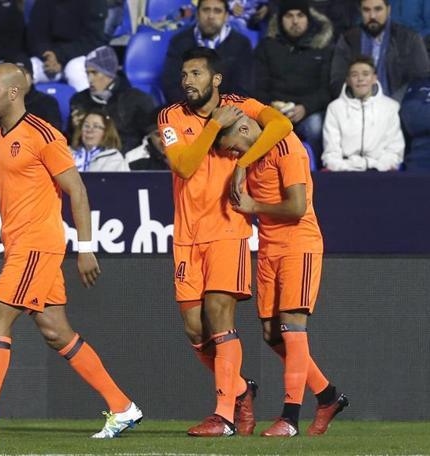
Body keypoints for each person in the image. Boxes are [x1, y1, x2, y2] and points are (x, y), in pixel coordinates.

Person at [0, 63, 141, 440]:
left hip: (37, 244)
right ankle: (122, 407)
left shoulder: (43, 135)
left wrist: (85, 247)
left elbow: (77, 190)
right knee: (56, 331)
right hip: (18, 244)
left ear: (14, 92)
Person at [157, 47, 292, 437]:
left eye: (196, 74)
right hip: (186, 235)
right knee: (195, 330)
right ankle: (239, 389)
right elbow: (183, 165)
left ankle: (225, 414)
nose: (188, 81)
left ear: (215, 79)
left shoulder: (241, 104)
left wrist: (246, 163)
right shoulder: (170, 116)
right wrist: (214, 127)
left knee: (220, 315)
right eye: (184, 74)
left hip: (227, 228)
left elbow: (281, 124)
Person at [217, 113, 349, 437]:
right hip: (269, 246)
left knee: (292, 327)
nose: (235, 155)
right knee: (272, 334)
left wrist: (253, 205)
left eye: (235, 147)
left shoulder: (287, 148)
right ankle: (328, 396)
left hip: (298, 244)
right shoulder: (252, 156)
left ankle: (290, 417)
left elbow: (297, 206)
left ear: (246, 129)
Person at [254, 0, 334, 166]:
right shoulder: (267, 47)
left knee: (315, 127)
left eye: (300, 15)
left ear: (308, 18)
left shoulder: (322, 47)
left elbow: (327, 90)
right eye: (289, 16)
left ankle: (318, 171)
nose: (295, 21)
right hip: (273, 110)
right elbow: (258, 86)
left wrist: (305, 107)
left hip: (308, 111)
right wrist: (271, 107)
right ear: (281, 19)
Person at [330, 0, 430, 102]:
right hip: (356, 108)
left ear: (388, 10)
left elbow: (421, 81)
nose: (372, 16)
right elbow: (337, 81)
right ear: (360, 11)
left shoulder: (409, 39)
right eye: (366, 10)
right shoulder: (348, 40)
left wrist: (391, 105)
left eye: (378, 9)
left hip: (400, 108)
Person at [0, 58, 63, 169]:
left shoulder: (47, 103)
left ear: (32, 77)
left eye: (24, 73)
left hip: (38, 166)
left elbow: (53, 138)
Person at [161, 0, 254, 104]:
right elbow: (171, 84)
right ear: (197, 14)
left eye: (217, 11)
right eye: (206, 10)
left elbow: (242, 88)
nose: (211, 16)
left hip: (227, 113)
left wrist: (219, 112)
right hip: (186, 110)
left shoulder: (241, 44)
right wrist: (196, 111)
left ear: (226, 16)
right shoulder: (179, 41)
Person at [322, 56, 404, 171]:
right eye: (354, 75)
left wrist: (378, 167)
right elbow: (331, 152)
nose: (360, 79)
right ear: (348, 80)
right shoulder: (335, 108)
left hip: (380, 172)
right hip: (344, 173)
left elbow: (394, 150)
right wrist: (347, 167)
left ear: (374, 78)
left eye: (365, 74)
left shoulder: (390, 107)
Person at [69, 45, 156, 154]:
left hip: (128, 161)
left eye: (95, 73)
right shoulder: (79, 100)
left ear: (109, 73)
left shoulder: (138, 100)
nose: (90, 79)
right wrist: (76, 128)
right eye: (88, 73)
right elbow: (71, 139)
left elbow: (150, 136)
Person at [26, 0, 108, 91]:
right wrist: (47, 56)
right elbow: (36, 36)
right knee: (25, 71)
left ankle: (87, 105)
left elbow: (92, 40)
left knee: (75, 70)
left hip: (80, 56)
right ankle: (18, 104)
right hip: (49, 58)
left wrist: (58, 56)